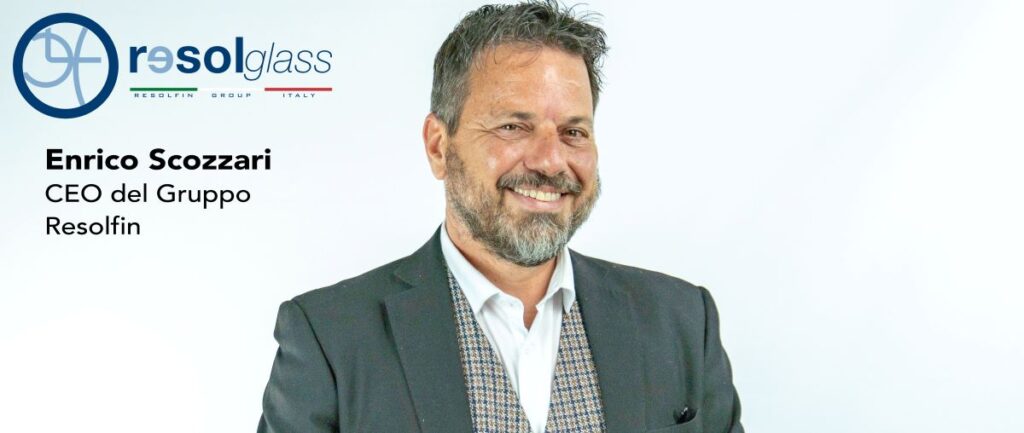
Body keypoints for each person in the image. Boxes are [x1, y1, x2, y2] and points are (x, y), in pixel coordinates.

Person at [257, 1, 743, 432]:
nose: (550, 161)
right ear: (438, 146)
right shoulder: (329, 337)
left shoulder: (682, 320)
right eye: (513, 126)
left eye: (573, 132)